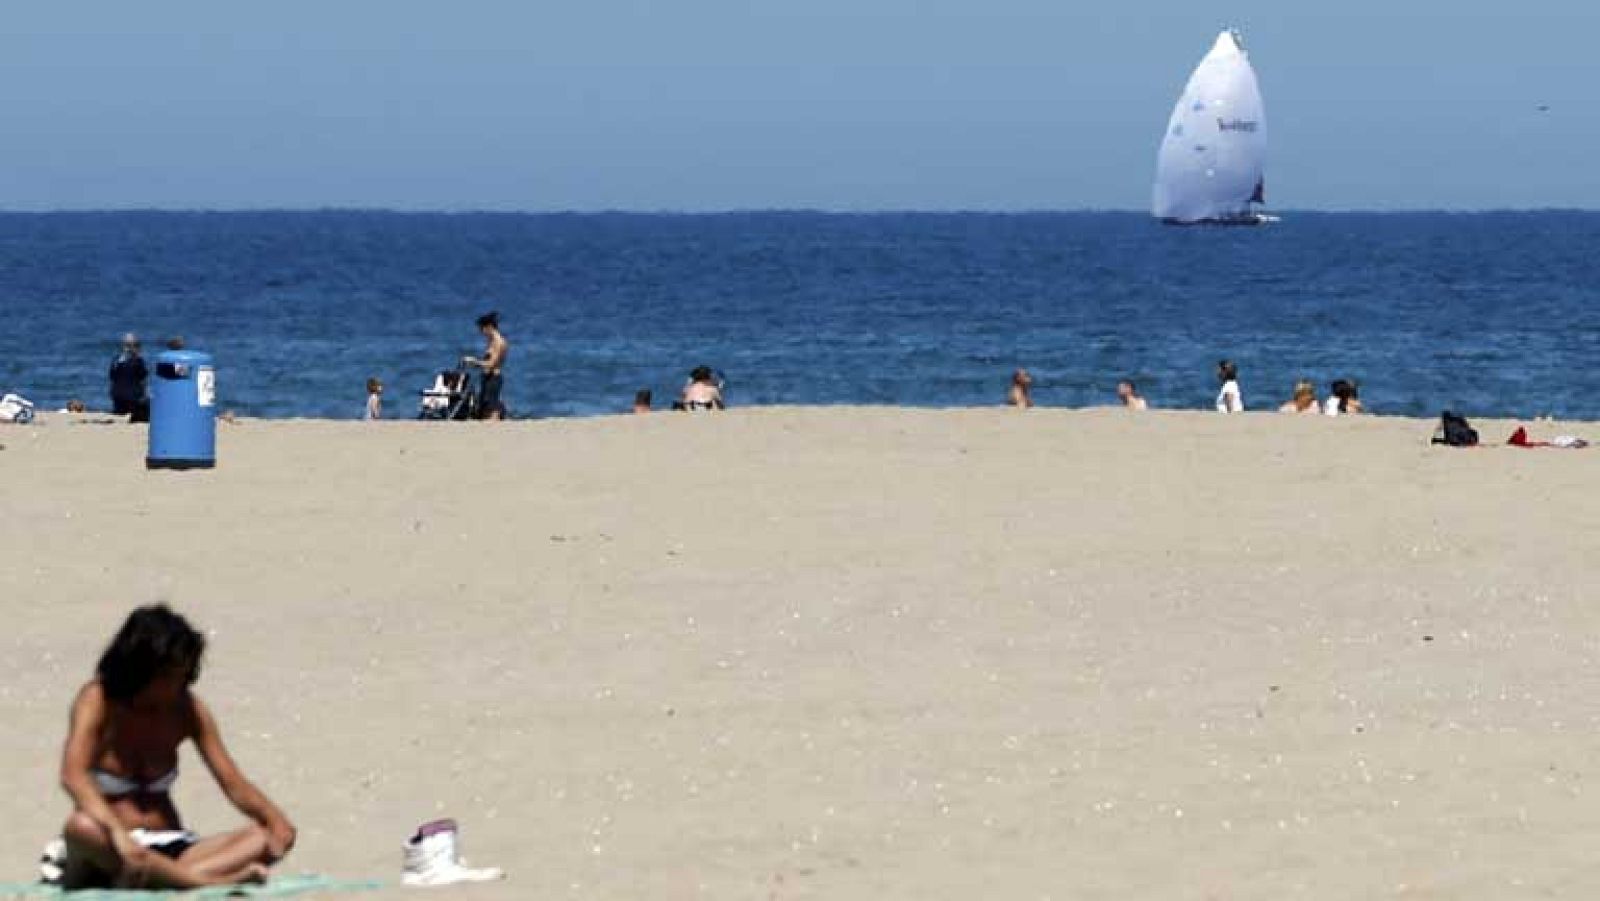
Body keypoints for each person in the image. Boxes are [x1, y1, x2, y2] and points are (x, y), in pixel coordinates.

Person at [50, 605, 295, 890]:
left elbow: (231, 781)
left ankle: (165, 879)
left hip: (172, 846)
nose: (177, 684)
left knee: (261, 837)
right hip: (111, 846)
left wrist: (275, 819)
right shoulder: (98, 700)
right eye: (168, 675)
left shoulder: (186, 708)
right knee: (81, 828)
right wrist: (119, 835)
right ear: (139, 668)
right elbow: (73, 775)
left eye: (183, 674)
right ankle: (207, 881)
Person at [462, 312, 510, 421]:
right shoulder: (491, 341)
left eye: (482, 329)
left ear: (489, 327)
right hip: (486, 378)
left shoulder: (499, 343)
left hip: (494, 378)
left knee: (492, 409)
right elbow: (486, 361)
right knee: (483, 408)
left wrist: (474, 361)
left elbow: (492, 364)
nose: (481, 332)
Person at [108, 334, 150, 423]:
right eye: (137, 345)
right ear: (134, 347)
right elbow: (143, 378)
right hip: (132, 399)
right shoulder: (138, 361)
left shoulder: (116, 360)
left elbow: (111, 377)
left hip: (117, 398)